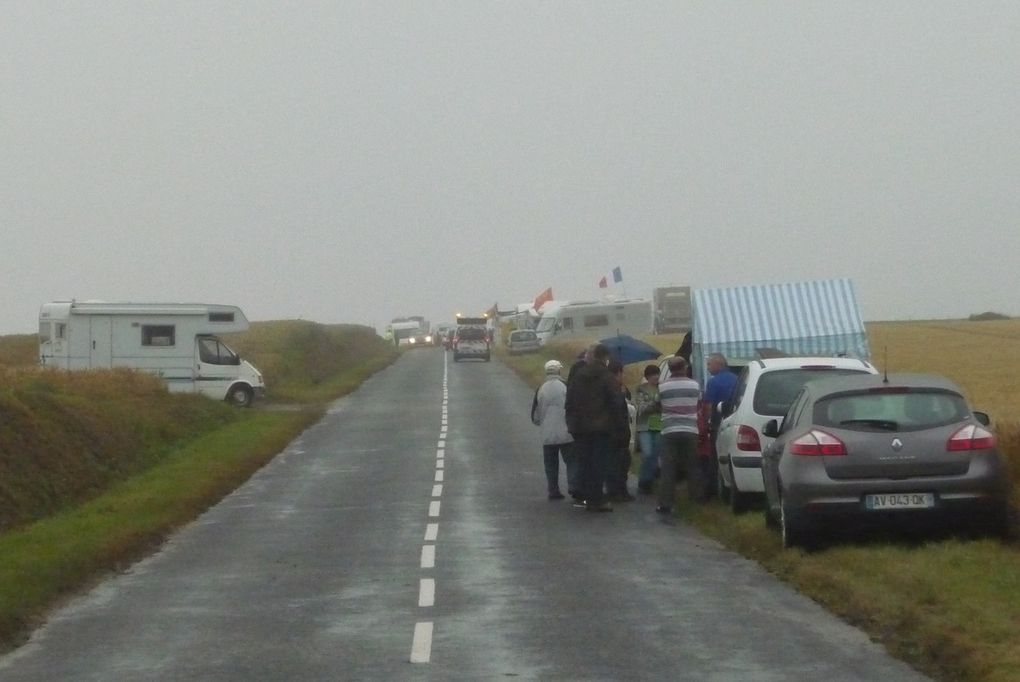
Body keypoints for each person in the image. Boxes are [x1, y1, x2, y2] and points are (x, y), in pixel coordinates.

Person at [565, 344, 619, 512]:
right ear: (605, 358)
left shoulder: (579, 375)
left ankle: (587, 497)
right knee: (599, 463)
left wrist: (572, 422)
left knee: (585, 462)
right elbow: (616, 402)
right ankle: (597, 500)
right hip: (601, 427)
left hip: (580, 427)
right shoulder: (607, 377)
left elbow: (570, 400)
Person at [656, 355, 703, 513]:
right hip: (690, 429)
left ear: (670, 369)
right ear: (684, 368)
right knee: (692, 465)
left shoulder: (663, 386)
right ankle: (696, 499)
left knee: (668, 467)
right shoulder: (695, 385)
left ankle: (666, 503)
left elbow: (658, 403)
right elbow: (699, 403)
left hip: (669, 429)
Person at [531, 360, 580, 501]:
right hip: (566, 432)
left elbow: (535, 417)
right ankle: (573, 486)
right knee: (571, 461)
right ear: (559, 371)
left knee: (551, 464)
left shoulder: (540, 388)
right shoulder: (566, 386)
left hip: (548, 434)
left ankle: (553, 490)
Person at [703, 353, 738, 498]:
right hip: (735, 421)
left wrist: (707, 422)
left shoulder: (713, 382)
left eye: (710, 364)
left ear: (719, 365)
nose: (708, 367)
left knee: (715, 456)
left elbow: (708, 405)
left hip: (719, 422)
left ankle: (713, 490)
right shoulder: (737, 379)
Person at [604, 360, 634, 502]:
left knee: (616, 462)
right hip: (617, 431)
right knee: (620, 463)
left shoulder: (612, 387)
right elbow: (617, 409)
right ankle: (618, 491)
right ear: (618, 373)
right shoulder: (615, 389)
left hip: (611, 431)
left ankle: (616, 490)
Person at [633, 364, 662, 494]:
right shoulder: (641, 389)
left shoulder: (662, 389)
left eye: (657, 374)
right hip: (645, 426)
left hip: (659, 425)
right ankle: (644, 480)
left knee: (655, 454)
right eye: (652, 375)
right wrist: (656, 402)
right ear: (647, 376)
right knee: (647, 453)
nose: (655, 377)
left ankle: (649, 480)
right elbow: (642, 408)